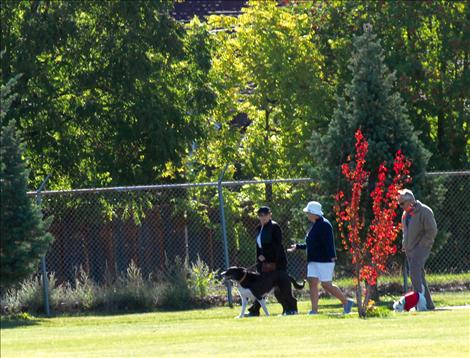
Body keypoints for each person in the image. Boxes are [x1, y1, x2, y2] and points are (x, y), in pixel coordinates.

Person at [288, 201, 353, 314]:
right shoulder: (315, 225)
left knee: (326, 284)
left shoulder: (324, 224)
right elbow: (311, 244)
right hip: (313, 260)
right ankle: (314, 310)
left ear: (314, 213)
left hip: (325, 260)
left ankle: (346, 302)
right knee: (312, 282)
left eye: (308, 212)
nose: (307, 214)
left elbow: (329, 242)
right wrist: (298, 246)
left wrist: (332, 256)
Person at [247, 206, 294, 316]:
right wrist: (259, 260)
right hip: (264, 264)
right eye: (260, 215)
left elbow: (277, 246)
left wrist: (267, 257)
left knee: (281, 287)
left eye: (265, 215)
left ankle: (291, 308)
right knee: (262, 286)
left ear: (270, 215)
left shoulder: (274, 227)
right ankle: (255, 310)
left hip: (276, 263)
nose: (262, 217)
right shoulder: (259, 228)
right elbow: (259, 247)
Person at [398, 189, 437, 310]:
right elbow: (405, 232)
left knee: (414, 273)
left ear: (410, 201)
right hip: (410, 249)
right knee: (418, 275)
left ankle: (420, 305)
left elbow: (432, 230)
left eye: (401, 204)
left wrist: (422, 245)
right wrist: (405, 244)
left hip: (421, 248)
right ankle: (428, 305)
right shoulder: (405, 215)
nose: (400, 207)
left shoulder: (425, 211)